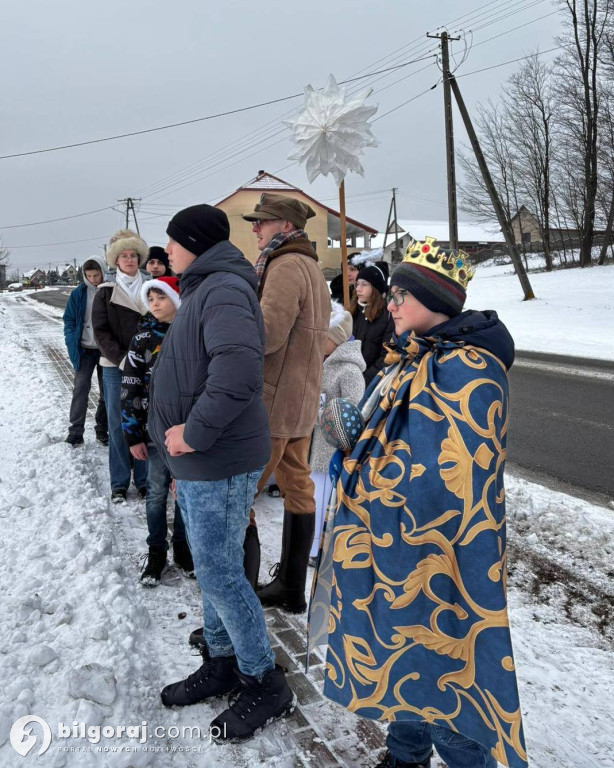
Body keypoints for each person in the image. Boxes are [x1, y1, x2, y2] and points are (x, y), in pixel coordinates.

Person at [309, 237, 527, 768]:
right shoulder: (413, 357)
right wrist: (353, 444)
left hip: (442, 551)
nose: (394, 303)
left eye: (404, 293)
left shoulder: (468, 370)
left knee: (445, 667)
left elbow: (449, 478)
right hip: (394, 544)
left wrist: (369, 467)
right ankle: (404, 754)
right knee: (399, 649)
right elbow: (388, 434)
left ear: (436, 300)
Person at [148, 204, 294, 742]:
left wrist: (194, 434)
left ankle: (263, 680)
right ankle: (222, 659)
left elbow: (236, 374)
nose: (166, 251)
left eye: (172, 241)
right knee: (212, 570)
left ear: (195, 241)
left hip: (219, 455)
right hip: (200, 459)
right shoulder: (207, 285)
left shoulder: (224, 289)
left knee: (221, 573)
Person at [241, 192, 330, 614]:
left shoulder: (284, 265)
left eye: (262, 221)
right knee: (298, 487)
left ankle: (236, 607)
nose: (254, 228)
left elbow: (269, 335)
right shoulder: (310, 264)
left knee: (238, 496)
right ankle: (292, 589)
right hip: (300, 400)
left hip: (274, 402)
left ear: (286, 226)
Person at [121, 276, 193, 585]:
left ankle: (183, 549)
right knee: (155, 495)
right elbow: (130, 386)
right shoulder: (142, 340)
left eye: (160, 298)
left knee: (183, 495)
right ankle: (156, 555)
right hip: (152, 433)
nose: (154, 304)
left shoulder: (191, 334)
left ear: (175, 299)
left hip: (184, 432)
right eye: (150, 299)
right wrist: (133, 433)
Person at [92, 229, 149, 503]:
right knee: (117, 424)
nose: (129, 260)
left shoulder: (152, 288)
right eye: (124, 255)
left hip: (147, 366)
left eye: (133, 255)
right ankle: (119, 482)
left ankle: (145, 479)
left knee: (145, 421)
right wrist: (123, 358)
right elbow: (100, 332)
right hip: (115, 367)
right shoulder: (105, 292)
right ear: (115, 261)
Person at [308, 301, 365, 563]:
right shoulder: (324, 363)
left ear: (337, 339)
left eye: (323, 337)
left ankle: (321, 548)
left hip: (330, 451)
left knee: (323, 500)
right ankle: (311, 546)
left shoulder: (350, 371)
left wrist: (321, 413)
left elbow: (352, 414)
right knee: (312, 498)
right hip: (314, 446)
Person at [63, 256, 108, 447]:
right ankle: (76, 431)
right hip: (84, 351)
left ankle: (102, 429)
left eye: (96, 275)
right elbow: (69, 320)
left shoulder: (109, 290)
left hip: (106, 351)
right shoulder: (78, 293)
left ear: (103, 272)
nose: (93, 279)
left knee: (107, 392)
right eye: (89, 276)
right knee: (81, 389)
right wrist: (71, 339)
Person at [350, 256, 394, 385]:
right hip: (349, 379)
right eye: (357, 284)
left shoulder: (387, 317)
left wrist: (364, 380)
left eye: (364, 284)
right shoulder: (353, 312)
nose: (358, 289)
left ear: (375, 288)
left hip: (371, 383)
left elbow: (386, 356)